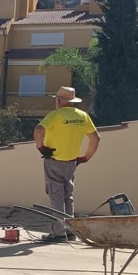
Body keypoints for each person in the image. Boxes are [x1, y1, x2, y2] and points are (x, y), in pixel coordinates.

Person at [33, 86, 99, 243]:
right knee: (68, 196)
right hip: (72, 162)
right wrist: (85, 157)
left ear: (59, 101)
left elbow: (38, 129)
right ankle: (70, 231)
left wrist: (42, 148)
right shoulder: (83, 116)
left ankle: (58, 233)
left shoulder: (55, 116)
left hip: (54, 161)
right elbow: (95, 138)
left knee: (56, 196)